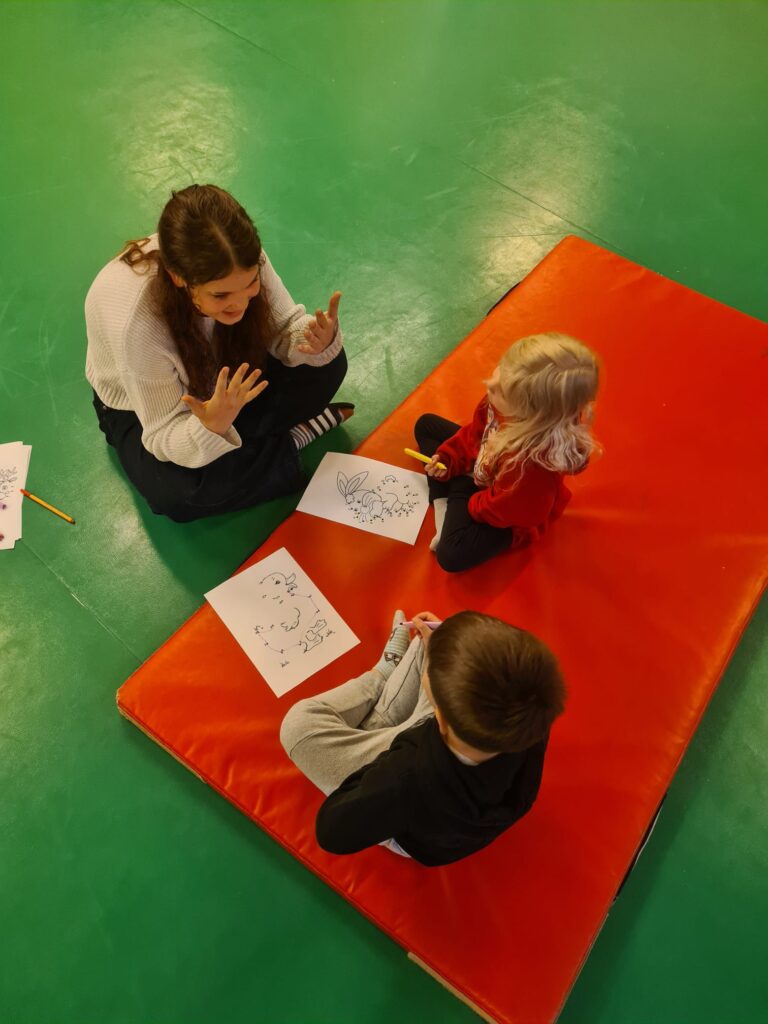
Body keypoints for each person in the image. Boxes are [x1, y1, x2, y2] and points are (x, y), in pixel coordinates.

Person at [85, 184, 352, 522]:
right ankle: (291, 440)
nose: (240, 304)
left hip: (222, 375)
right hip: (140, 409)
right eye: (221, 295)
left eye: (251, 284)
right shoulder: (139, 326)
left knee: (328, 366)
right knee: (177, 495)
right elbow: (164, 431)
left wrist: (312, 339)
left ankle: (245, 448)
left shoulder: (241, 258)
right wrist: (210, 427)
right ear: (179, 278)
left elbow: (284, 326)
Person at [280, 610, 566, 867]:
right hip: (457, 772)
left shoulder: (406, 776)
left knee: (298, 726)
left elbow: (332, 831)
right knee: (430, 638)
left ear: (437, 717)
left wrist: (373, 779)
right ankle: (384, 709)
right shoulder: (528, 717)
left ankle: (382, 673)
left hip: (414, 823)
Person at [413, 332, 600, 572]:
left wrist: (468, 494)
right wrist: (450, 458)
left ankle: (449, 502)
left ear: (529, 415)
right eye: (499, 370)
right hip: (488, 464)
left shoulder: (532, 472)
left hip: (502, 508)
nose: (489, 384)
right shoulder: (497, 404)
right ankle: (444, 501)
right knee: (426, 424)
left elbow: (504, 511)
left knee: (450, 555)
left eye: (500, 390)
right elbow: (476, 434)